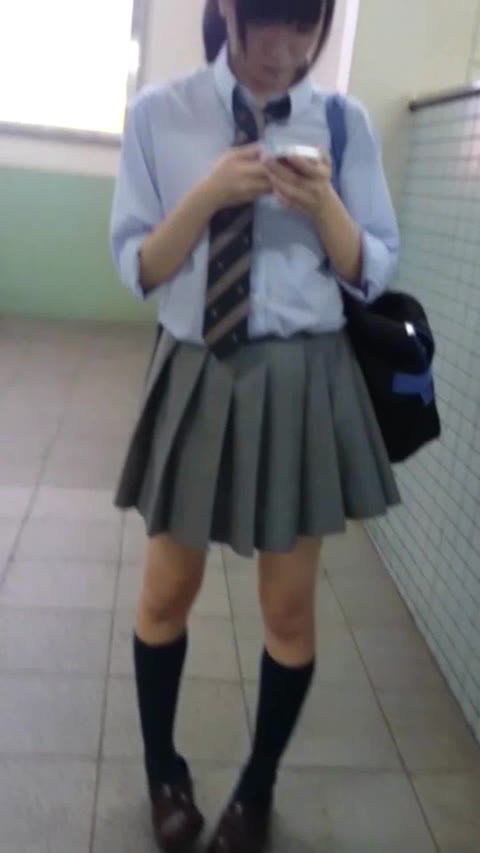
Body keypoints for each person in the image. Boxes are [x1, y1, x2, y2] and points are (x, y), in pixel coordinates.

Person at [110, 0, 401, 850]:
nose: (285, 50)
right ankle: (164, 774)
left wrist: (325, 208)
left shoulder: (343, 124)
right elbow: (140, 266)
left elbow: (373, 269)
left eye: (305, 26)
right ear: (226, 12)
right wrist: (207, 194)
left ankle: (257, 788)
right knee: (166, 590)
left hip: (301, 379)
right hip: (197, 370)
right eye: (265, 22)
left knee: (289, 610)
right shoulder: (159, 115)